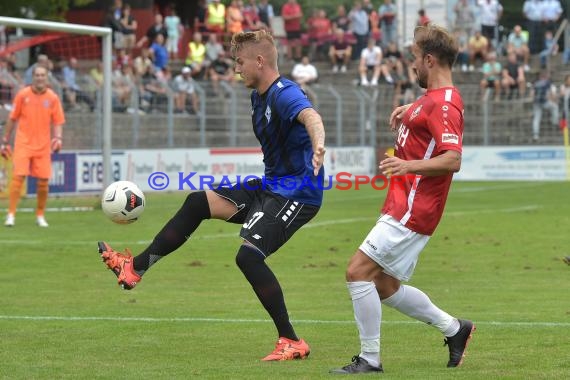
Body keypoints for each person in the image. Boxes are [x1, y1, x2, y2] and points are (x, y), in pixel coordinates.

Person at [97, 29, 326, 361]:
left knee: (248, 256)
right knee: (197, 202)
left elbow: (311, 116)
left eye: (240, 61)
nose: (236, 68)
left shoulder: (283, 93)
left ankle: (291, 340)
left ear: (259, 61)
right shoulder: (258, 96)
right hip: (272, 185)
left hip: (299, 192)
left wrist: (318, 143)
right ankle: (134, 269)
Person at [331, 24, 474, 374]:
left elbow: (452, 159)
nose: (411, 65)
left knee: (357, 273)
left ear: (429, 59)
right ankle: (455, 329)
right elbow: (433, 108)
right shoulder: (433, 100)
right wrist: (411, 108)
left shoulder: (443, 104)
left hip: (413, 208)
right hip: (403, 205)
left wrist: (406, 164)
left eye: (414, 58)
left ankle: (370, 359)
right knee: (384, 284)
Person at [1, 64, 65, 227]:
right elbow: (12, 118)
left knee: (43, 182)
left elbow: (58, 121)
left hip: (43, 146)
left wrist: (58, 137)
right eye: (37, 75)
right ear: (33, 77)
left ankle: (40, 215)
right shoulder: (23, 95)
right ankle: (11, 215)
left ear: (47, 77)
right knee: (18, 178)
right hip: (23, 143)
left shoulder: (52, 98)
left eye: (43, 75)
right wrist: (5, 140)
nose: (40, 78)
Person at [531, 70, 559, 142]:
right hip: (544, 102)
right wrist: (554, 100)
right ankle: (554, 122)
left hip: (536, 103)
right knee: (555, 107)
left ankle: (535, 135)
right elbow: (550, 93)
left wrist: (534, 100)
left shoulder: (535, 83)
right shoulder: (547, 82)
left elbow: (532, 94)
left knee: (536, 119)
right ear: (545, 76)